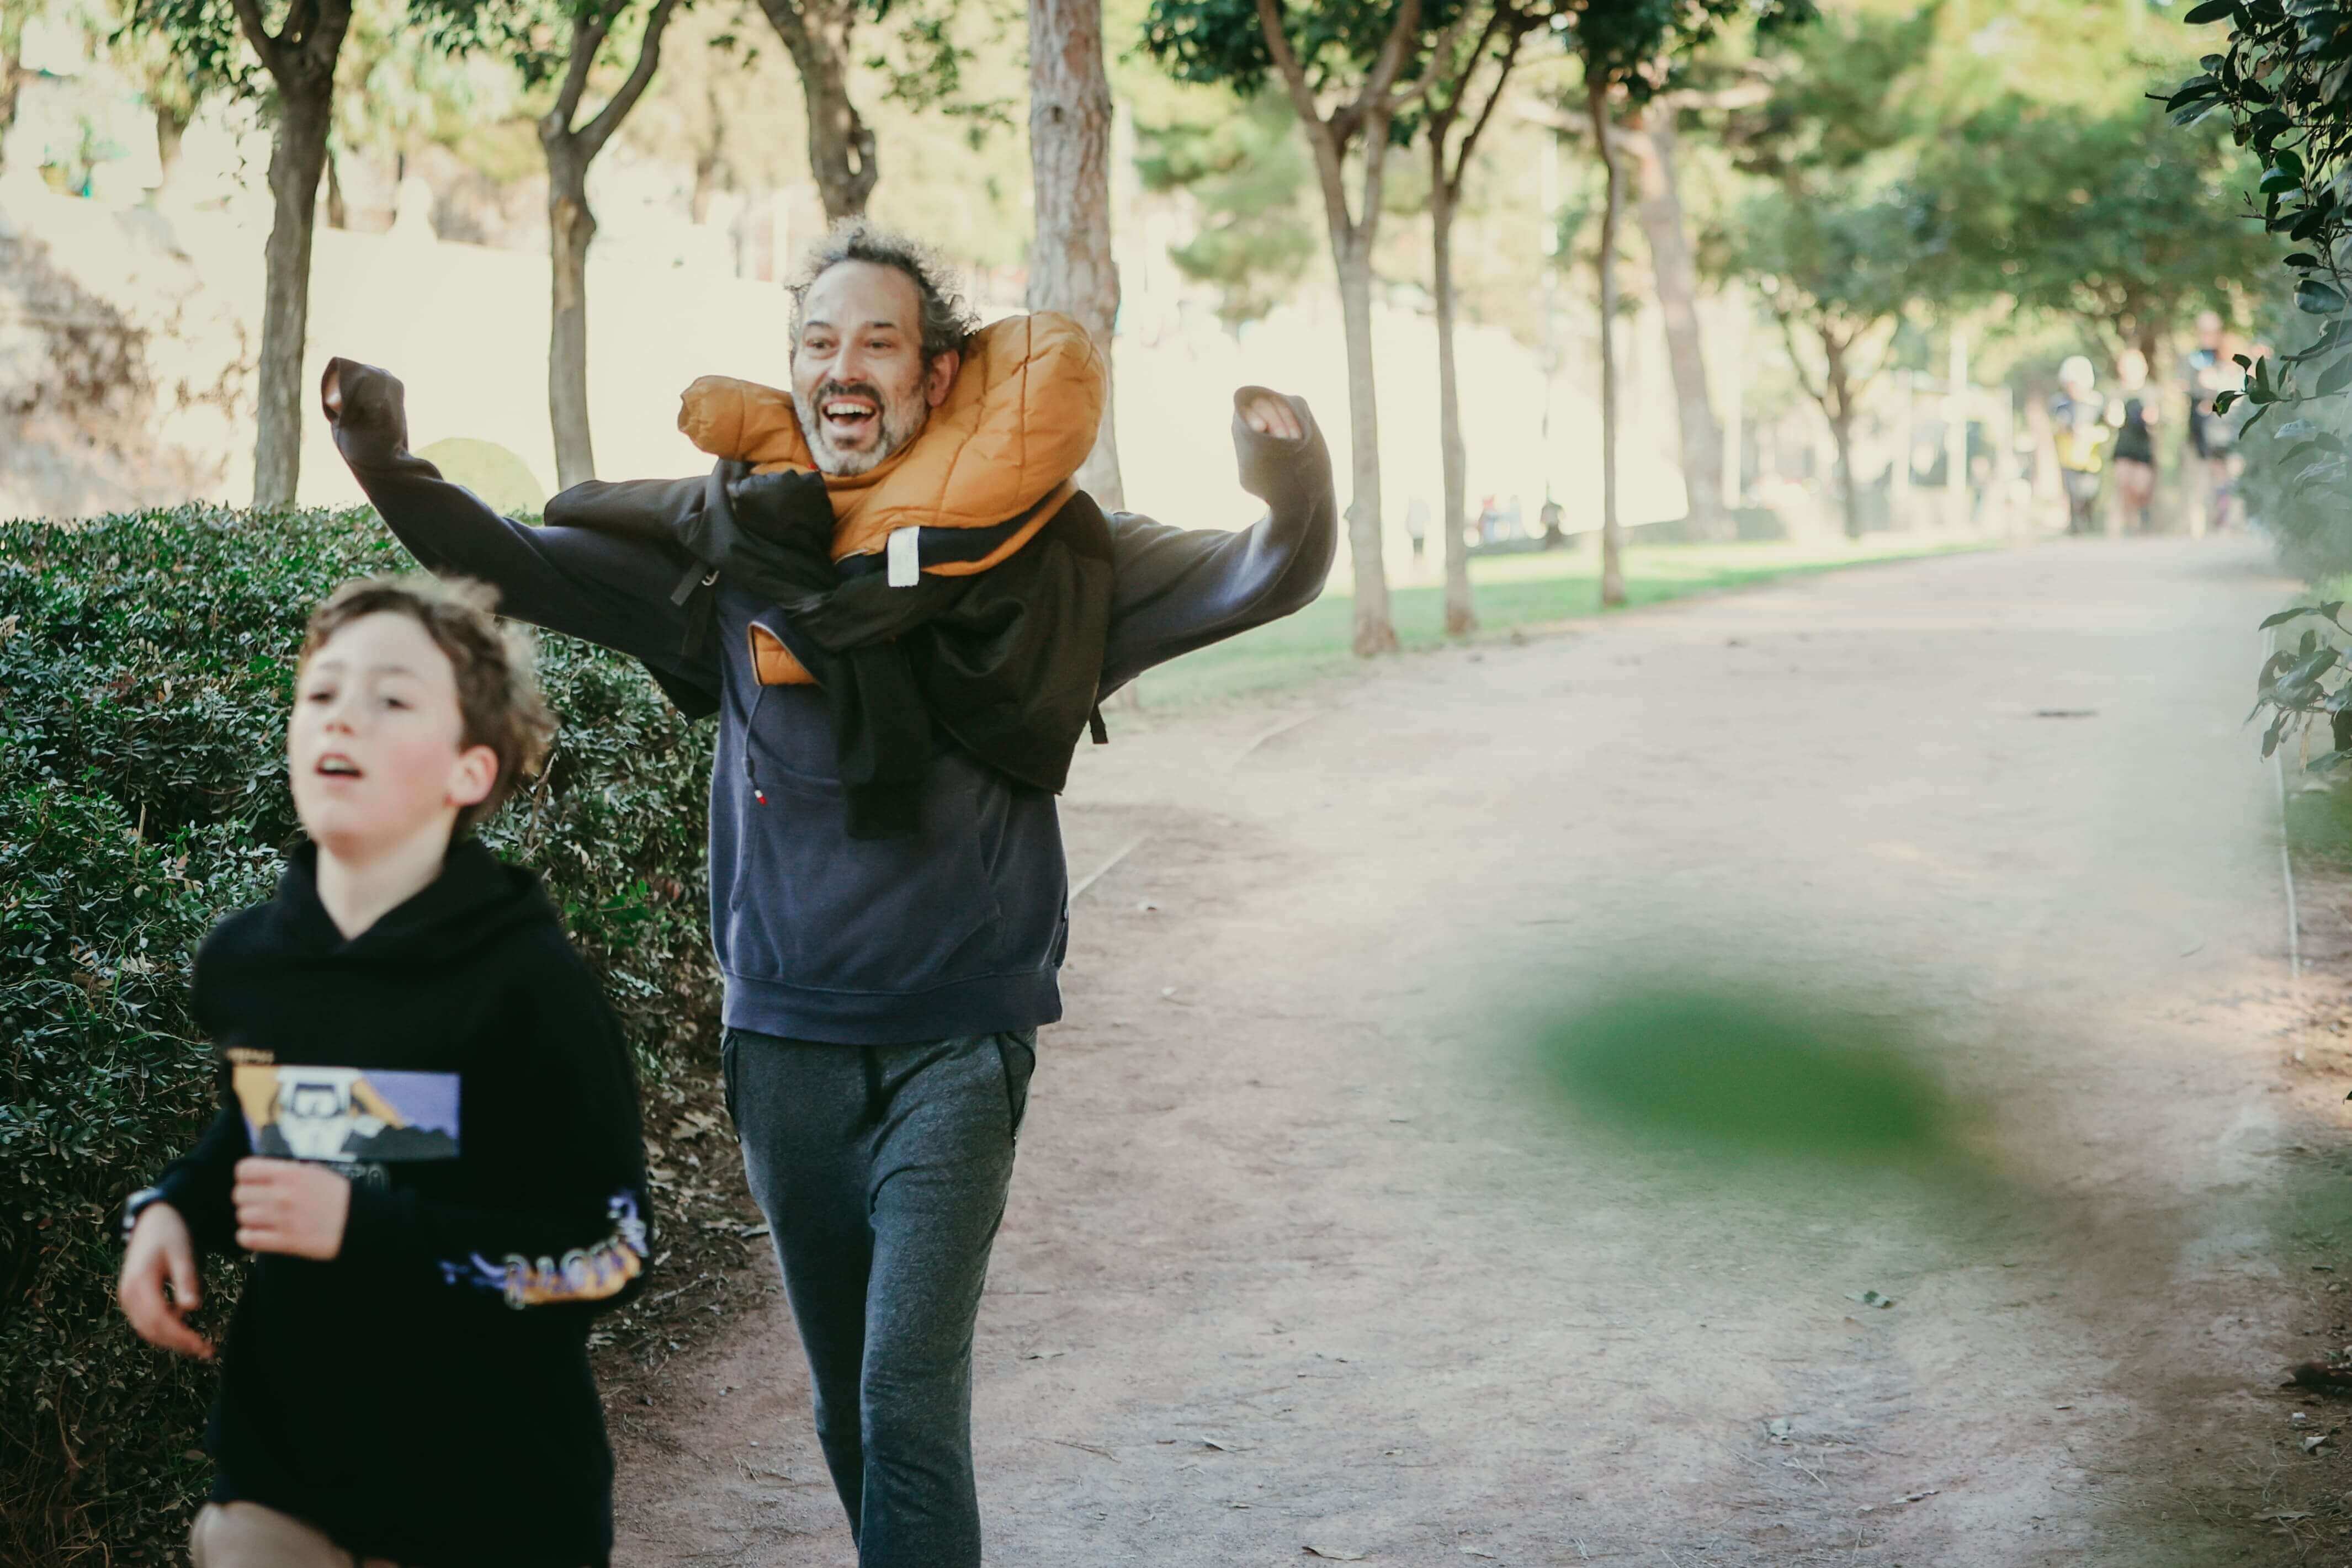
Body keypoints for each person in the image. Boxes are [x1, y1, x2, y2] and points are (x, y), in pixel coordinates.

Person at [316, 219, 1337, 1568]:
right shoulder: (734, 553)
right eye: (817, 339)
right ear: (792, 371)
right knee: (847, 1404)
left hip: (954, 1041)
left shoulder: (1047, 556)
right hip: (784, 1039)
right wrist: (383, 457)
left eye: (877, 340)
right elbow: (515, 559)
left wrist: (1290, 471)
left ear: (934, 375)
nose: (843, 365)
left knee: (907, 1398)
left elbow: (1260, 574)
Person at [115, 576, 652, 1568]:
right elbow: (278, 1128)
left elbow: (609, 1254)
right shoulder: (251, 961)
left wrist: (363, 1230)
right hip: (286, 1478)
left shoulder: (528, 986)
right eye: (321, 693)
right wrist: (173, 1209)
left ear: (468, 771)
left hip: (495, 1499)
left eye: (392, 698)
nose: (343, 716)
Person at [2184, 310, 2245, 534]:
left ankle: (2232, 524)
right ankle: (2200, 529)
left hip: (2231, 430)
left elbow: (2237, 400)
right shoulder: (2193, 359)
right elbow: (2190, 390)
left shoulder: (2234, 368)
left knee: (2232, 476)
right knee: (2205, 479)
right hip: (2203, 432)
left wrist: (2214, 404)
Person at [2050, 355, 2110, 536]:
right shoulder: (2060, 403)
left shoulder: (2097, 402)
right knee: (2073, 495)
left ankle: (2090, 523)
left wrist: (2092, 433)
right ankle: (2076, 528)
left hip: (2091, 459)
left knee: (2090, 493)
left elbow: (2107, 426)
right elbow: (2059, 424)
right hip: (2069, 457)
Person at [2108, 347, 2159, 534]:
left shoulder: (2151, 391)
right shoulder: (2117, 391)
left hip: (2143, 444)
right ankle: (2130, 524)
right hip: (2124, 444)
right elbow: (2112, 417)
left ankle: (2142, 515)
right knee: (2124, 483)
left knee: (2141, 487)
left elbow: (2156, 417)